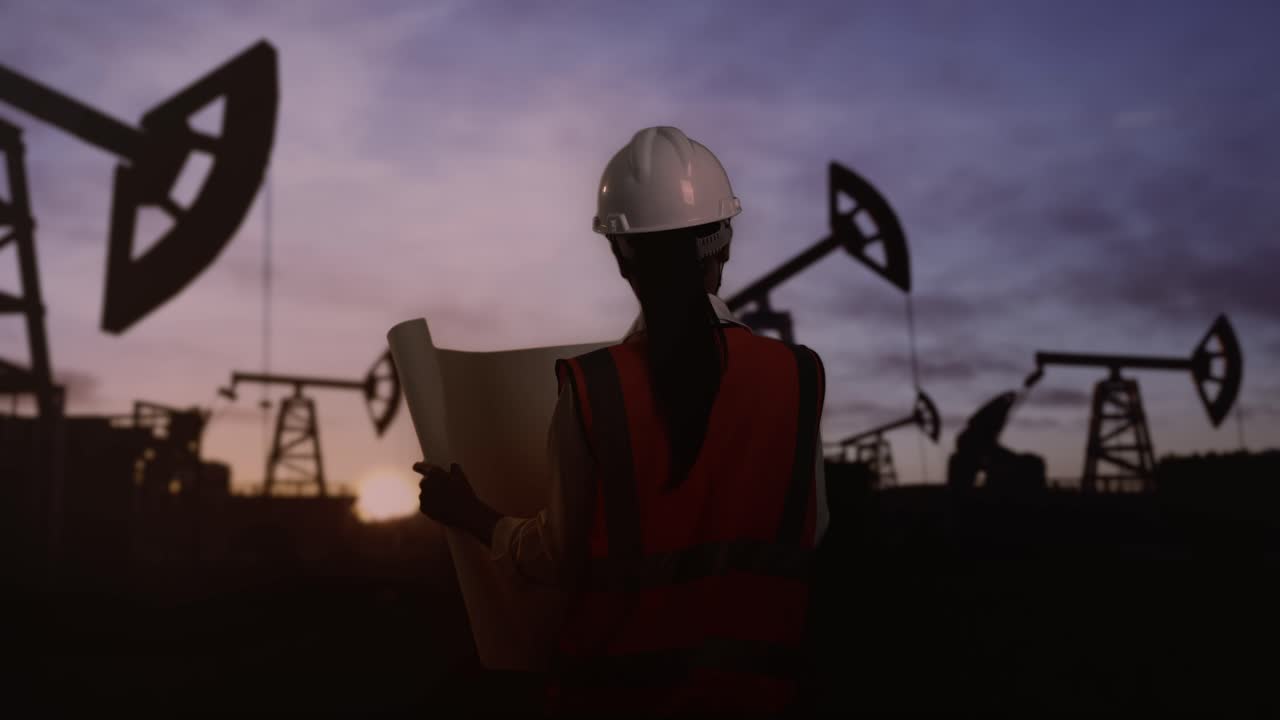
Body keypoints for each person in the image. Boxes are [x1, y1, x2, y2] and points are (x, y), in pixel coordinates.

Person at [415, 126, 829, 715]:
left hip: (618, 695)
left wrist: (474, 516)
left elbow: (557, 556)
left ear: (619, 257)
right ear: (727, 246)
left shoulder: (595, 388)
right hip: (762, 693)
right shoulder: (800, 376)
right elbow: (809, 531)